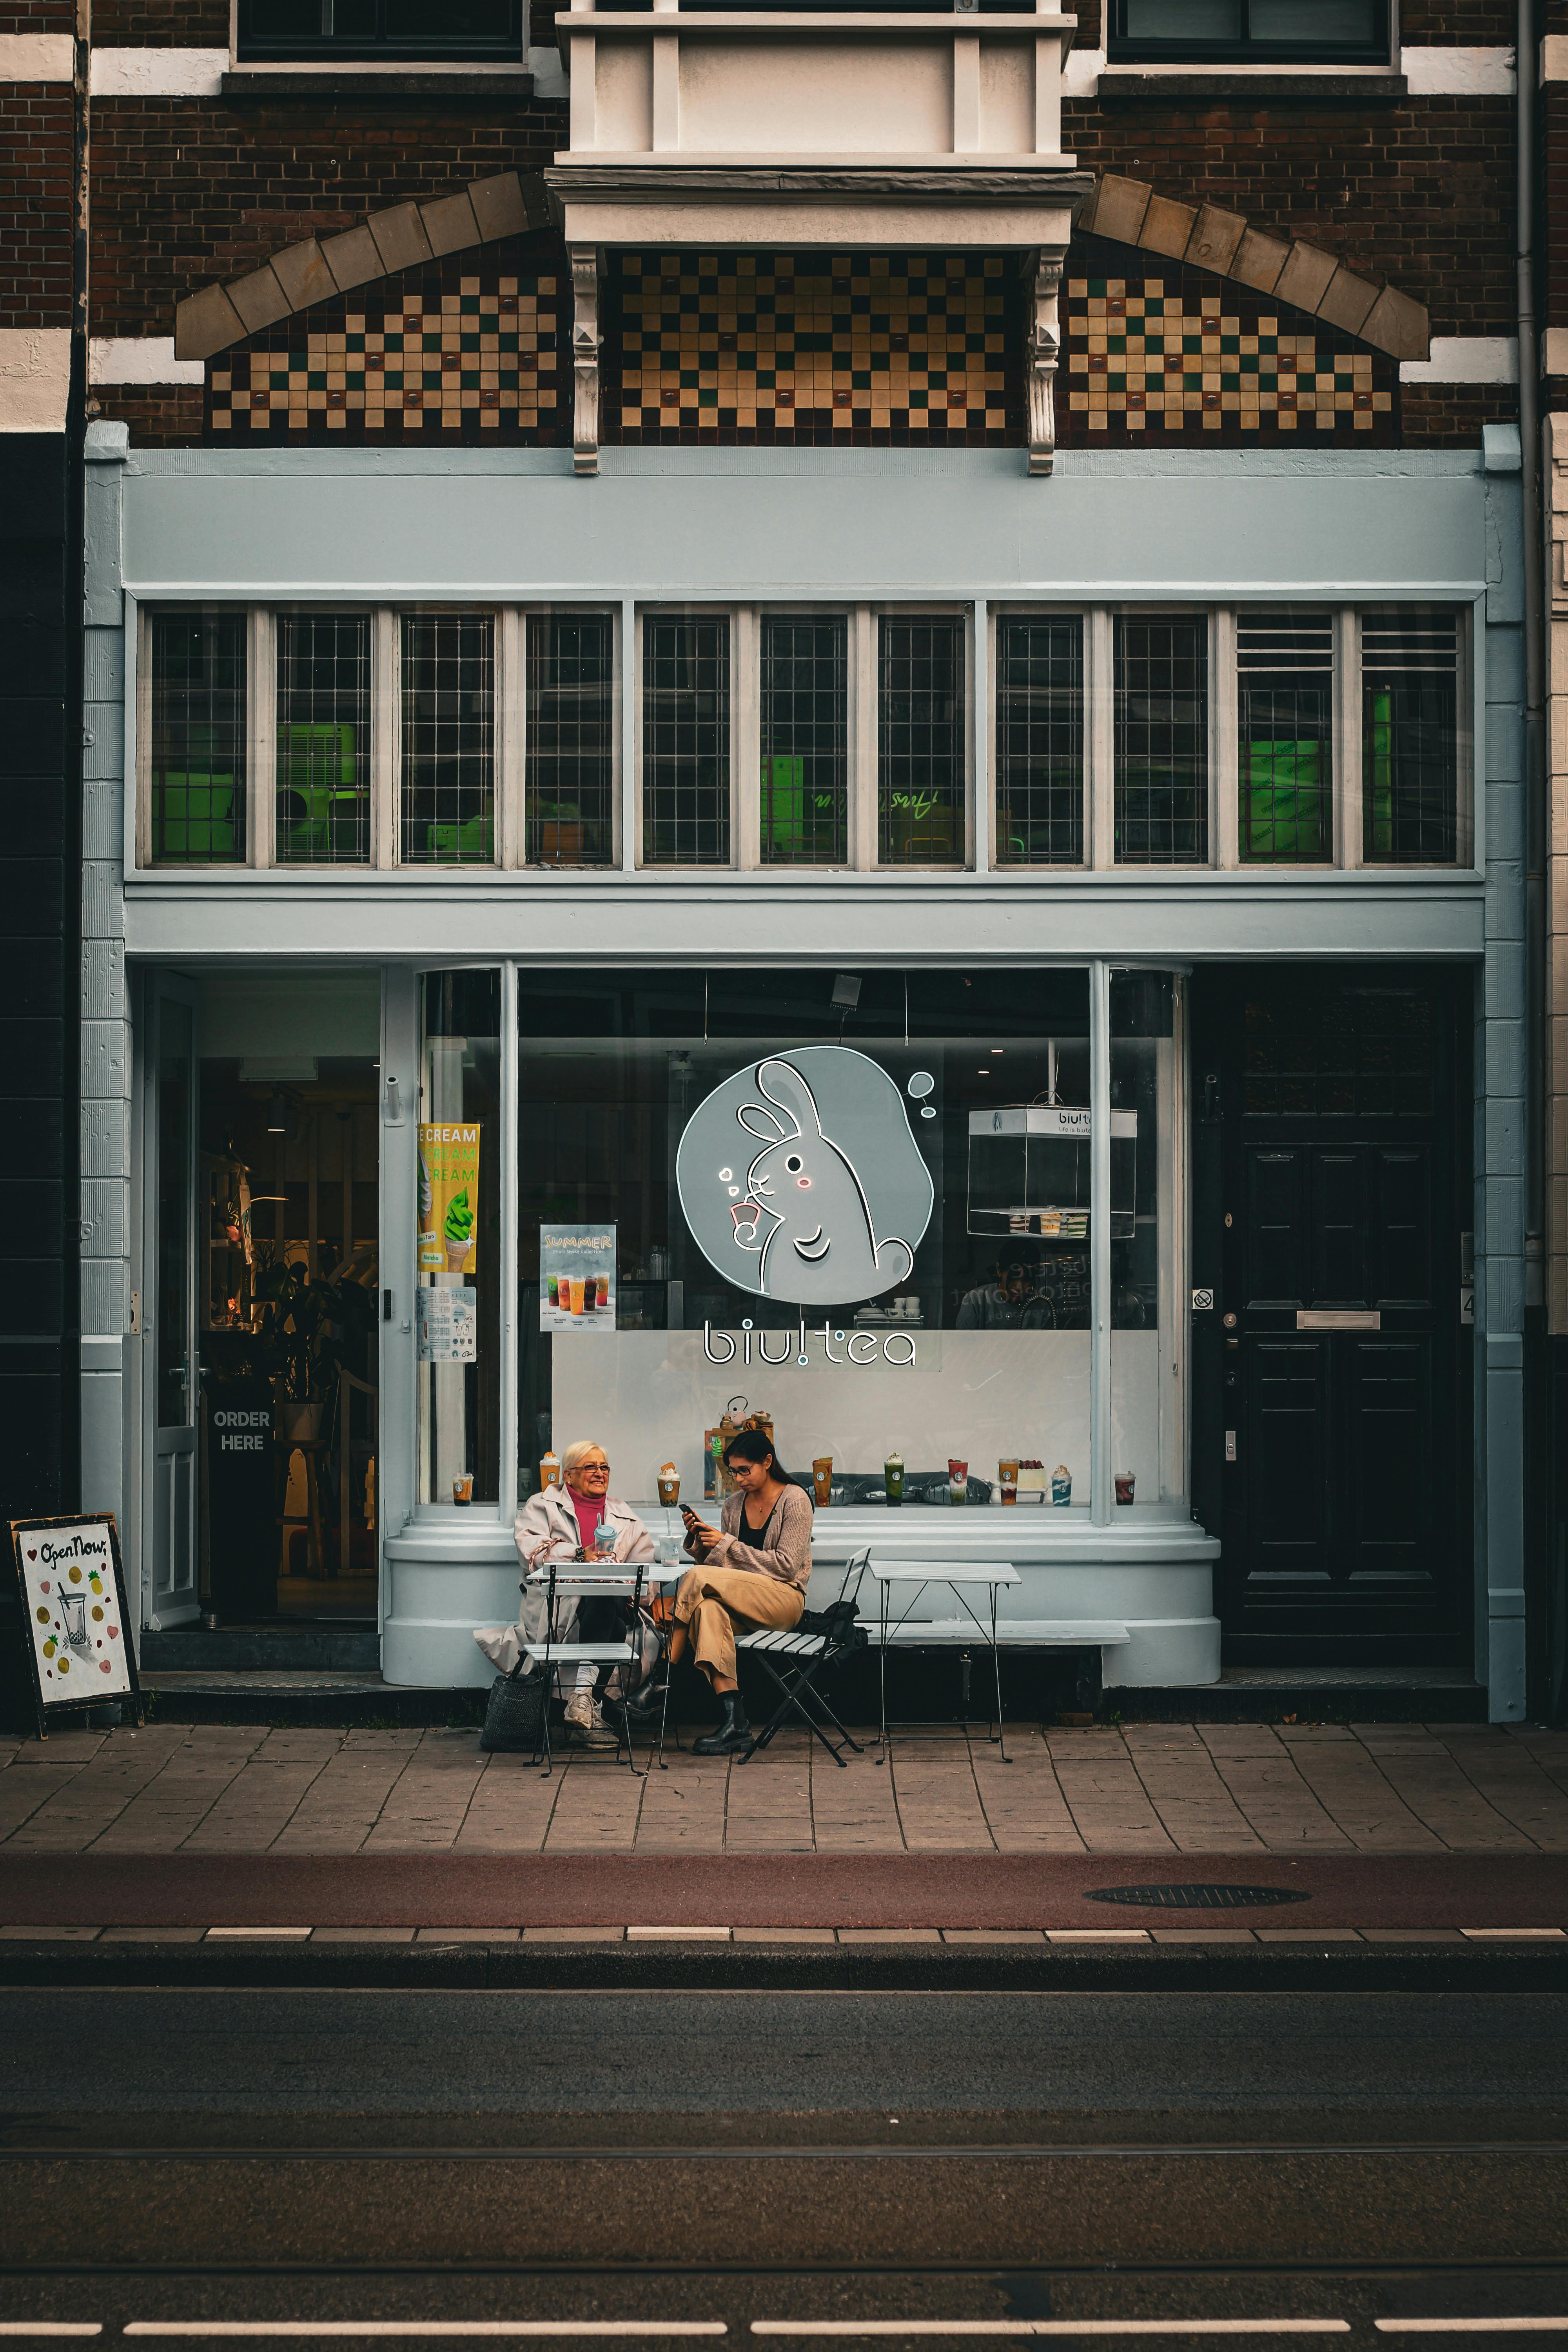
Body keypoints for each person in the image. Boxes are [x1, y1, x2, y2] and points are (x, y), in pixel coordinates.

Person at [672, 1427, 813, 1756]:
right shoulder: (733, 1506)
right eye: (732, 1472)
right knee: (708, 1610)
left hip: (784, 1600)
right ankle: (735, 1722)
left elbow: (786, 1567)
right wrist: (701, 1541)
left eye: (744, 1471)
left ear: (767, 1461)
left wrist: (726, 1545)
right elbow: (724, 1569)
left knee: (696, 1578)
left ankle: (664, 1673)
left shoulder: (795, 1500)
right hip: (743, 1602)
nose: (737, 1479)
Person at [512, 1439, 653, 1747]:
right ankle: (587, 1703)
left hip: (617, 1605)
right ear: (569, 1476)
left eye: (604, 1467)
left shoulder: (624, 1514)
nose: (600, 1473)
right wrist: (580, 1555)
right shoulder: (542, 1505)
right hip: (561, 1604)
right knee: (610, 1617)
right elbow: (531, 1553)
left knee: (606, 1593)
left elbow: (647, 1574)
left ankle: (581, 1700)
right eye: (590, 1467)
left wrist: (621, 1580)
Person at [956, 1249, 1056, 1330]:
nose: (1019, 1287)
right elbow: (963, 1347)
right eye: (1014, 1277)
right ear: (999, 1270)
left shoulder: (1042, 1307)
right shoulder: (976, 1301)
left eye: (1027, 1280)